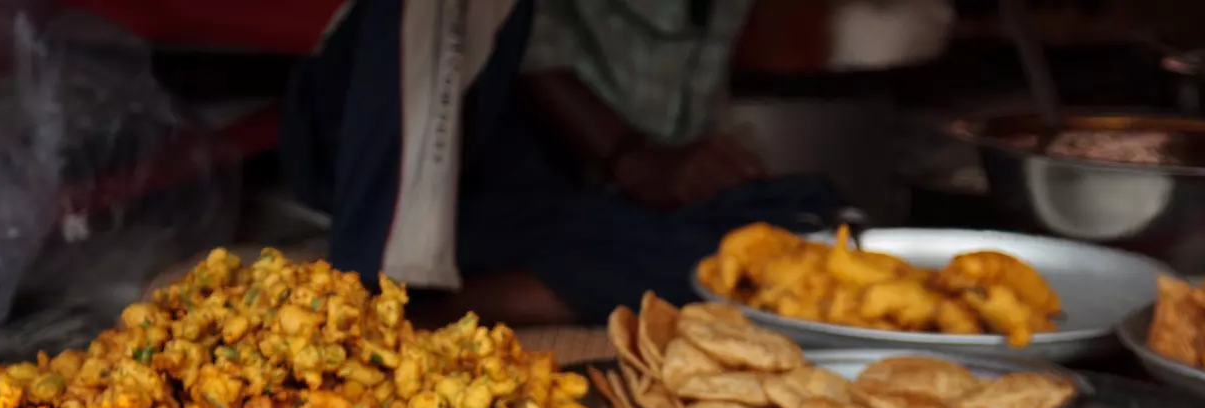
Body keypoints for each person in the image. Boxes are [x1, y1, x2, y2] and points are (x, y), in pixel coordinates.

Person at [280, 0, 840, 324]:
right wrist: (631, 157)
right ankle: (395, 298)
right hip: (456, 159)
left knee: (804, 225)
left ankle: (487, 295)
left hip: (579, 197)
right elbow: (530, 48)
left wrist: (694, 173)